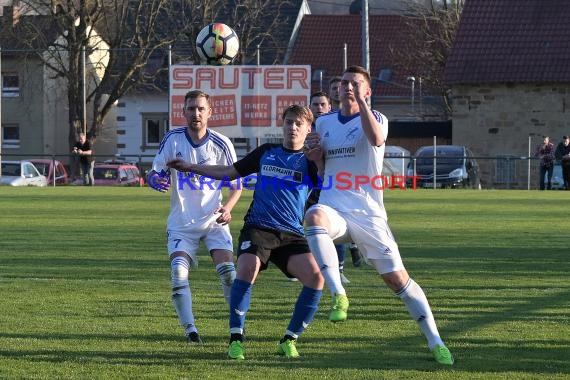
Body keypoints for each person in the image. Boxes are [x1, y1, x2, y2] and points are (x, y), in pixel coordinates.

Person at [303, 65, 454, 365]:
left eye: (356, 84)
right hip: (334, 206)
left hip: (369, 214)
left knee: (399, 281)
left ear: (368, 91)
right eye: (345, 83)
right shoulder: (324, 122)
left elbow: (375, 139)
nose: (348, 87)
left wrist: (362, 104)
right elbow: (321, 171)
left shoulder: (377, 118)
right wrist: (316, 159)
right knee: (313, 217)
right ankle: (339, 293)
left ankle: (435, 340)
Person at [167, 104, 324, 360]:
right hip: (258, 229)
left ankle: (289, 340)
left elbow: (325, 185)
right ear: (282, 124)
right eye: (289, 122)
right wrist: (190, 167)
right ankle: (236, 339)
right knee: (246, 271)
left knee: (316, 279)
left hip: (291, 235)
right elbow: (230, 172)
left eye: (298, 123)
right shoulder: (266, 152)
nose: (292, 127)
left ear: (308, 129)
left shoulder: (310, 161)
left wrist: (318, 159)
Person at [148, 90, 242, 343]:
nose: (196, 113)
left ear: (210, 112)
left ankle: (237, 329)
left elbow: (237, 185)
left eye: (201, 108)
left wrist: (229, 208)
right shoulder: (173, 139)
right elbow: (155, 171)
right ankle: (191, 331)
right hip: (181, 224)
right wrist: (155, 179)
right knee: (178, 275)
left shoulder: (221, 144)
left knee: (229, 274)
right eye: (191, 109)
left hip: (213, 221)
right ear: (184, 112)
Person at [310, 91, 350, 284]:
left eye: (322, 104)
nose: (318, 107)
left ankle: (339, 268)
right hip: (307, 184)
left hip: (331, 184)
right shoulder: (303, 128)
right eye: (315, 104)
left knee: (333, 226)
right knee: (306, 223)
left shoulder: (333, 128)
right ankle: (307, 264)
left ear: (329, 107)